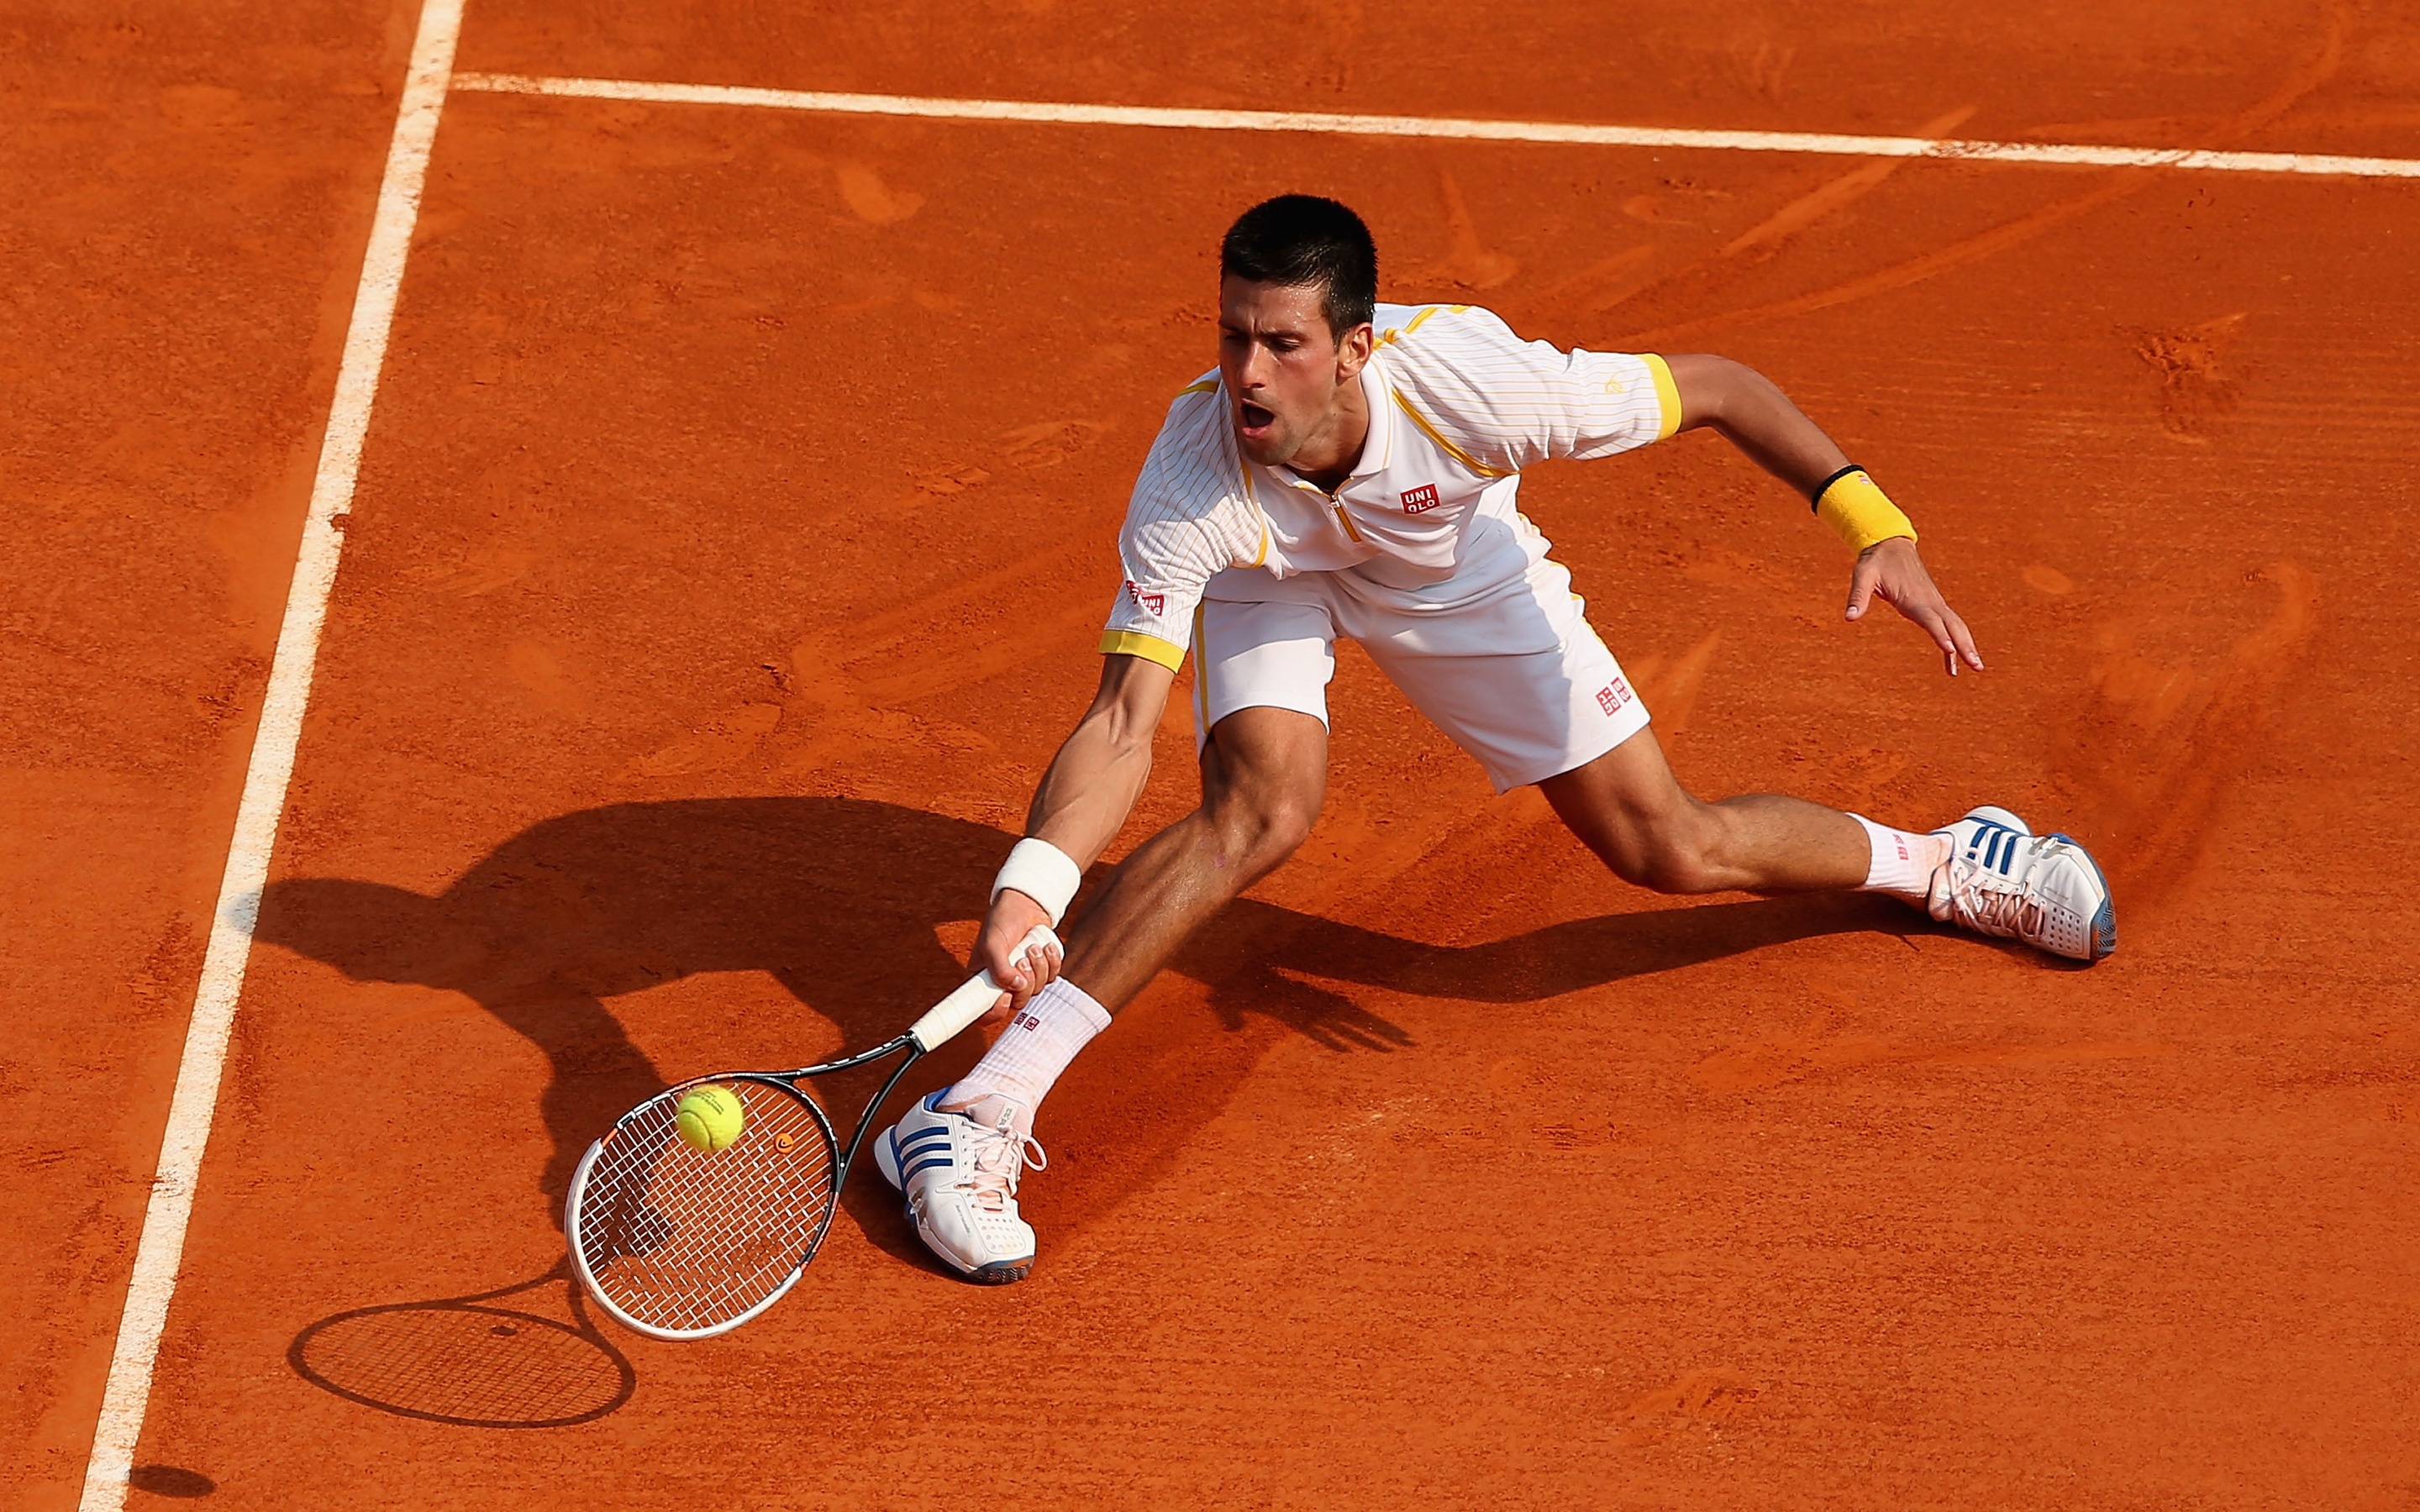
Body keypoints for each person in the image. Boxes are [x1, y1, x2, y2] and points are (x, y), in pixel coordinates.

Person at [871, 194, 2114, 1284]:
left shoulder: (1477, 382)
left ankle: (1948, 861)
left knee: (1669, 845)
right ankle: (978, 1106)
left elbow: (1724, 390)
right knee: (1264, 809)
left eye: (1284, 344)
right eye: (1232, 335)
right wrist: (1033, 884)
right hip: (1275, 571)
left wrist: (1871, 519)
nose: (1249, 373)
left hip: (1453, 575)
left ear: (1356, 347)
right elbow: (1122, 719)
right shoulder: (1195, 480)